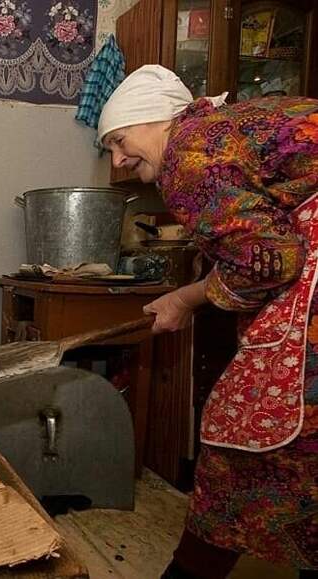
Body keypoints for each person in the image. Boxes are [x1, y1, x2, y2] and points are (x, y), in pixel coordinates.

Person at [97, 65, 318, 579]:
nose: (119, 160)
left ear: (155, 122)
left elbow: (266, 259)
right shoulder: (225, 130)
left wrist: (189, 298)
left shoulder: (189, 153)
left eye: (120, 140)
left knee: (244, 433)